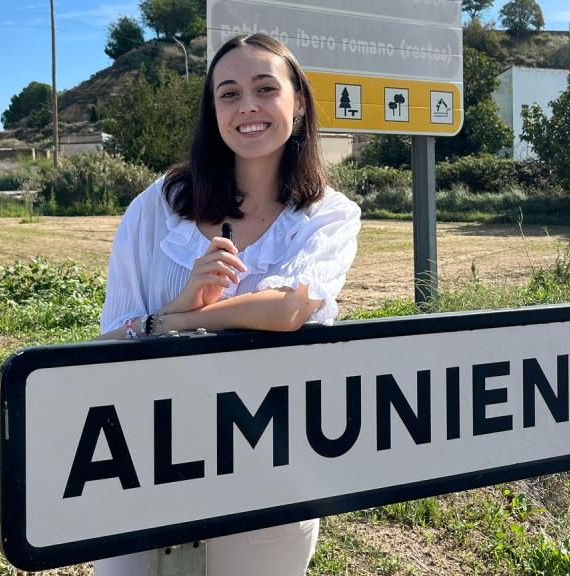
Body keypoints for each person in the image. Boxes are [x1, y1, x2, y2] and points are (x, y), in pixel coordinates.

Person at [94, 33, 361, 575]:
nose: (248, 108)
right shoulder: (157, 207)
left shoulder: (330, 216)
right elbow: (102, 347)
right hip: (144, 464)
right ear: (212, 108)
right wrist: (171, 308)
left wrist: (174, 319)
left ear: (299, 101)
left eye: (266, 88)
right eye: (229, 93)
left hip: (274, 475)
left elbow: (286, 309)